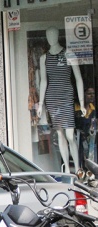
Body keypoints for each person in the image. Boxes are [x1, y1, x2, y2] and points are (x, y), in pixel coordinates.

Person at [38, 26, 85, 172]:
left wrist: (82, 103)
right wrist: (40, 104)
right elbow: (44, 81)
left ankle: (77, 168)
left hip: (66, 96)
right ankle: (66, 167)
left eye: (53, 34)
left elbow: (78, 78)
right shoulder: (43, 58)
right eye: (48, 35)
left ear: (57, 36)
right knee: (60, 133)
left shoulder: (69, 54)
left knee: (70, 135)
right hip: (52, 98)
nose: (50, 37)